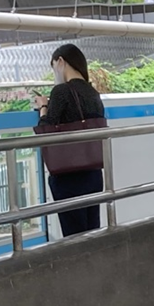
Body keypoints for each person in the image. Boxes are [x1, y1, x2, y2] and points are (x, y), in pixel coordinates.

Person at [34, 44, 107, 236]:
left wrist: (43, 107)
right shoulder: (93, 92)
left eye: (54, 68)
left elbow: (46, 129)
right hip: (93, 174)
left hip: (69, 177)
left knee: (74, 236)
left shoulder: (62, 91)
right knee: (92, 233)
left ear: (60, 61)